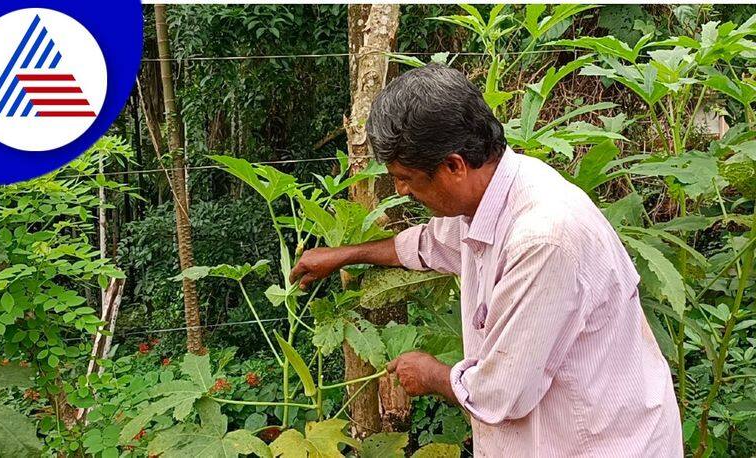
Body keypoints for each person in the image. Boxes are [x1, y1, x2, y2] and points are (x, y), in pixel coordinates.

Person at [289, 64, 682, 457]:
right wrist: (344, 256)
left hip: (607, 445)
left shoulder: (543, 238)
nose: (401, 189)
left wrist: (431, 374)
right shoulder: (490, 196)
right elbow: (428, 244)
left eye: (406, 177)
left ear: (454, 165)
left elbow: (503, 395)